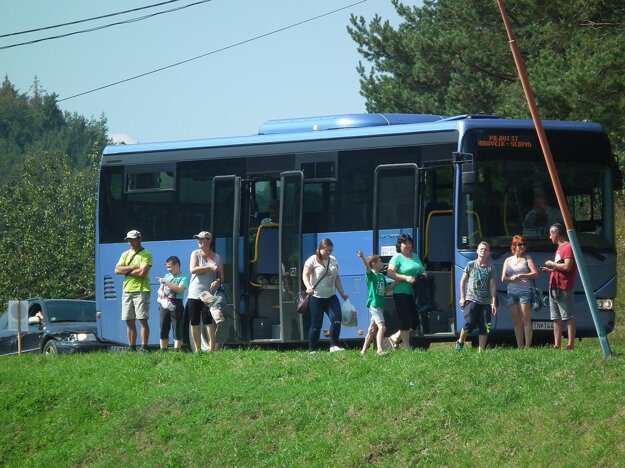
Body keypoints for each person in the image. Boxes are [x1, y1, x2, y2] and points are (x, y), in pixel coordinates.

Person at [302, 238, 349, 353]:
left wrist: (342, 293)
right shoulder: (312, 260)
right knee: (316, 325)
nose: (329, 253)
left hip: (331, 296)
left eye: (330, 251)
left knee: (337, 318)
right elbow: (305, 275)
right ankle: (312, 349)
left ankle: (333, 345)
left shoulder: (333, 260)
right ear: (320, 249)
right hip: (316, 297)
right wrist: (308, 286)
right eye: (326, 250)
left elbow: (336, 278)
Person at [186, 231, 225, 352]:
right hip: (194, 293)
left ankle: (211, 349)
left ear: (208, 241)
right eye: (198, 239)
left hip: (208, 294)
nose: (199, 242)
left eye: (201, 239)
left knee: (208, 320)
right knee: (194, 321)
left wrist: (217, 281)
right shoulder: (195, 253)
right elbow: (193, 269)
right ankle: (198, 350)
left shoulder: (218, 258)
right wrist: (209, 267)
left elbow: (221, 277)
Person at [114, 230, 152, 352]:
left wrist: (126, 270)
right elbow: (117, 270)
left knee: (142, 319)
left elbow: (142, 273)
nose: (130, 242)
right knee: (128, 320)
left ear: (139, 239)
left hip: (141, 290)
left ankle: (144, 347)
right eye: (128, 240)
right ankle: (131, 347)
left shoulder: (146, 254)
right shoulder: (125, 254)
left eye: (133, 239)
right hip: (127, 290)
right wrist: (132, 267)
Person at [456, 241, 497, 352]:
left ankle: (481, 351)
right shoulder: (471, 264)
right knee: (469, 323)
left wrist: (493, 302)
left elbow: (492, 286)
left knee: (485, 326)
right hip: (471, 299)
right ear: (477, 251)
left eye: (486, 249)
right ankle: (460, 341)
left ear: (489, 253)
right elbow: (462, 282)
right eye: (481, 249)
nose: (483, 251)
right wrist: (463, 297)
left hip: (485, 302)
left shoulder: (491, 268)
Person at [386, 234, 426, 350]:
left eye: (409, 243)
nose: (408, 245)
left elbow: (422, 270)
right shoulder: (397, 257)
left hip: (414, 293)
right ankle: (407, 347)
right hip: (401, 292)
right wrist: (406, 278)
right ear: (399, 245)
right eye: (405, 243)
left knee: (415, 321)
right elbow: (390, 273)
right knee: (404, 319)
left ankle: (395, 337)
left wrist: (423, 275)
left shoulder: (415, 256)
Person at [540, 223, 576, 350]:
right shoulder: (559, 248)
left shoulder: (568, 247)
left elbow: (567, 266)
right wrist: (549, 270)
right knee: (555, 317)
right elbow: (559, 267)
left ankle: (570, 344)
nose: (550, 237)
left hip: (564, 287)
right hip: (554, 286)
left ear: (555, 233)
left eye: (550, 234)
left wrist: (552, 263)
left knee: (568, 316)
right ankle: (557, 344)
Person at [501, 235, 538, 348]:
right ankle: (520, 346)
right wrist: (510, 278)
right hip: (511, 293)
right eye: (519, 244)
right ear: (514, 246)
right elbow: (503, 279)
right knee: (516, 321)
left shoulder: (527, 258)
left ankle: (527, 346)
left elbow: (535, 274)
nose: (522, 246)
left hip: (525, 292)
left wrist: (522, 275)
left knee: (526, 319)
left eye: (524, 244)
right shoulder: (508, 260)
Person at [356, 250, 395, 357]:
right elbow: (367, 267)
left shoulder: (381, 276)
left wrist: (397, 282)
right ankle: (379, 350)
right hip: (374, 305)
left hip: (380, 305)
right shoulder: (371, 275)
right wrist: (363, 257)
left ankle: (363, 351)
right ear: (374, 263)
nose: (382, 263)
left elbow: (387, 289)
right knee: (382, 327)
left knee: (372, 330)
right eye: (380, 261)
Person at [157, 256, 189, 351]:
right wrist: (161, 292)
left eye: (170, 267)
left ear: (177, 265)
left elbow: (179, 290)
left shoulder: (183, 277)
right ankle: (163, 349)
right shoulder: (166, 276)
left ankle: (177, 350)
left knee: (177, 327)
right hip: (165, 304)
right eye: (167, 267)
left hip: (177, 304)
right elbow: (160, 289)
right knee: (163, 326)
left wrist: (166, 282)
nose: (168, 269)